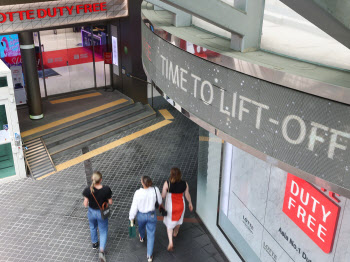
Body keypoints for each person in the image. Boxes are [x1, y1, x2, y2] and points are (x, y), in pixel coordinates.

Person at [129, 176, 162, 262]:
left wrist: (131, 217)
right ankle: (149, 256)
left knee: (141, 227)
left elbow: (134, 206)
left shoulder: (138, 193)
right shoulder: (155, 190)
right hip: (151, 215)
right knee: (151, 235)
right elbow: (160, 201)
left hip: (141, 215)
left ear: (143, 183)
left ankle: (142, 237)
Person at [83, 171, 112, 262]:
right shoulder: (106, 189)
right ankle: (101, 251)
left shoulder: (88, 190)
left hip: (91, 212)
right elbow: (110, 202)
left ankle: (95, 243)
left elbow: (85, 204)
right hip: (101, 213)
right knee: (103, 231)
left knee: (93, 227)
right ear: (101, 180)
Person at [162, 167, 193, 251]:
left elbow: (163, 196)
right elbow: (187, 194)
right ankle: (175, 232)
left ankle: (171, 242)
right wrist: (190, 203)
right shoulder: (185, 184)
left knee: (169, 224)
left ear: (171, 174)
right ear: (180, 175)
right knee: (179, 220)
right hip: (180, 205)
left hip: (171, 206)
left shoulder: (167, 183)